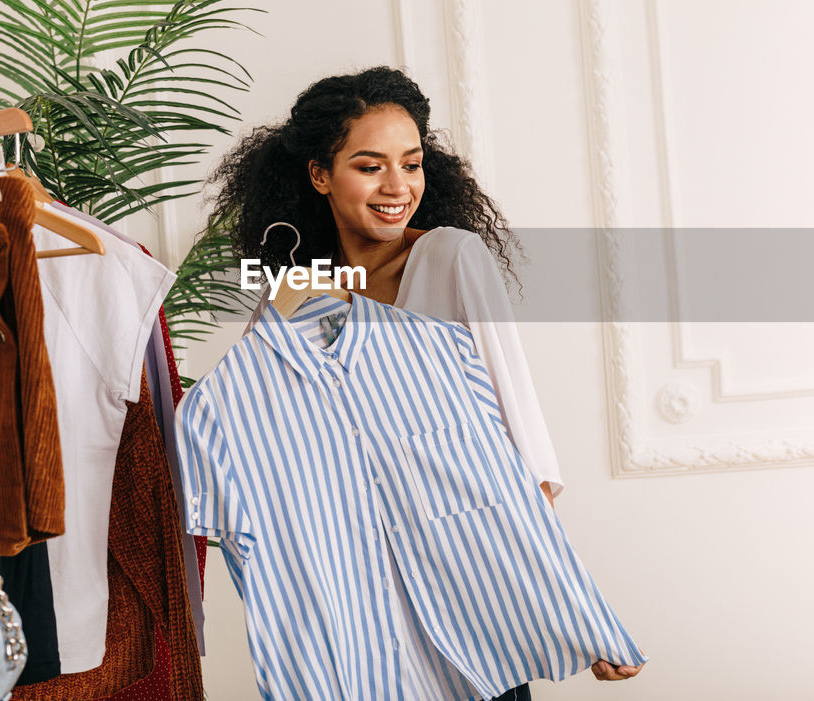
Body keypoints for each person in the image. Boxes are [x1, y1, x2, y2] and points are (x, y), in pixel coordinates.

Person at [207, 66, 644, 695]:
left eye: (411, 165)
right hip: (362, 601)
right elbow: (253, 435)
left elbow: (522, 453)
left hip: (469, 584)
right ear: (319, 174)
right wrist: (281, 303)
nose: (397, 186)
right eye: (370, 165)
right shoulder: (294, 294)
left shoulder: (451, 256)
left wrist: (572, 612)